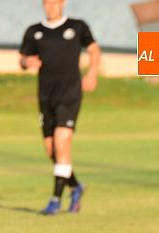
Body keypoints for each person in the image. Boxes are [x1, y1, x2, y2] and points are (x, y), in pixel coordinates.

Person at [19, 0, 100, 215]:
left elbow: (94, 50)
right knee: (51, 151)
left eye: (55, 2)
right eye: (47, 3)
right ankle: (76, 186)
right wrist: (28, 62)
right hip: (46, 97)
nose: (51, 6)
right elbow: (23, 59)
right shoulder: (34, 31)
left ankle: (55, 200)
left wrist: (92, 73)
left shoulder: (77, 26)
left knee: (62, 144)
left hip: (70, 95)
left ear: (63, 3)